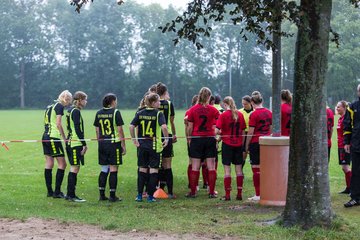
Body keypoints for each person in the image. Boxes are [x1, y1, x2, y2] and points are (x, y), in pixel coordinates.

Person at [130, 92, 169, 202]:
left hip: (142, 145)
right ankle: (151, 196)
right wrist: (166, 139)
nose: (159, 103)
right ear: (152, 102)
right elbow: (164, 127)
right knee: (154, 170)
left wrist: (134, 140)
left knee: (142, 169)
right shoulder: (158, 114)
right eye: (157, 101)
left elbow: (131, 126)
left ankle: (139, 195)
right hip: (154, 145)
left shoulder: (140, 112)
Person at [186, 87, 220, 198]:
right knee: (211, 166)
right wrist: (217, 134)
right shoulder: (214, 110)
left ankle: (193, 192)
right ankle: (211, 192)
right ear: (209, 97)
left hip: (196, 139)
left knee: (195, 166)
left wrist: (189, 138)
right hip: (210, 138)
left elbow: (190, 127)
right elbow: (219, 125)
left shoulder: (192, 110)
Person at [94, 93, 126, 202]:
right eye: (115, 100)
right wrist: (123, 145)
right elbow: (120, 130)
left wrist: (100, 142)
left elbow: (97, 130)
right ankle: (112, 195)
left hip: (102, 143)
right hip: (113, 144)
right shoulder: (116, 112)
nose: (116, 103)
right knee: (113, 169)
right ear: (112, 102)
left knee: (104, 169)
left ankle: (101, 195)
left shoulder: (98, 113)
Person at [42, 90, 72, 198]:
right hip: (53, 137)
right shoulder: (59, 106)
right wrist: (64, 138)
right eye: (69, 101)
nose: (69, 104)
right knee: (62, 164)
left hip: (45, 136)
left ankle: (50, 191)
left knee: (49, 163)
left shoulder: (50, 106)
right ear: (66, 99)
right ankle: (57, 192)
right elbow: (58, 124)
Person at [215, 96, 246, 201]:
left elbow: (217, 130)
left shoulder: (223, 115)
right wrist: (241, 143)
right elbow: (242, 131)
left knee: (227, 171)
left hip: (227, 145)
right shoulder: (240, 115)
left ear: (224, 104)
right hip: (238, 145)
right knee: (239, 170)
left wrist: (219, 135)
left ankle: (227, 195)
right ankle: (239, 194)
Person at [245, 91, 272, 201]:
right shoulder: (269, 113)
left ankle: (258, 194)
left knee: (256, 169)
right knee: (266, 169)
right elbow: (271, 129)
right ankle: (268, 192)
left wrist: (246, 145)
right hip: (266, 142)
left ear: (252, 102)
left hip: (256, 143)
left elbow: (250, 132)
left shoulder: (253, 114)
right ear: (262, 101)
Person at [65, 91, 88, 202]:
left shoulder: (70, 110)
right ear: (80, 100)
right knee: (74, 168)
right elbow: (78, 130)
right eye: (85, 99)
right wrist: (84, 144)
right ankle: (71, 195)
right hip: (75, 143)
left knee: (74, 167)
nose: (86, 102)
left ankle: (69, 194)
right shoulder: (76, 112)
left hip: (70, 142)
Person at [156, 82, 177, 198]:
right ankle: (170, 192)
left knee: (157, 164)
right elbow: (172, 121)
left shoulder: (154, 103)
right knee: (167, 164)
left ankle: (157, 190)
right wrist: (174, 134)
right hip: (167, 134)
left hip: (156, 135)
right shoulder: (169, 104)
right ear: (165, 92)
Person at [343, 84, 360, 207]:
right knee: (356, 171)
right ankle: (355, 197)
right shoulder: (352, 106)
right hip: (356, 143)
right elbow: (347, 125)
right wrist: (346, 142)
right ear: (358, 92)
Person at [336, 100, 352, 194]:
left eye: (339, 107)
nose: (337, 108)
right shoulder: (340, 119)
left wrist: (347, 144)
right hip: (340, 146)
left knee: (346, 168)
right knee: (344, 168)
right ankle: (348, 188)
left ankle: (352, 188)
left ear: (344, 108)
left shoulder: (346, 119)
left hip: (344, 146)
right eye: (337, 107)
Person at [239, 95, 254, 165]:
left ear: (250, 103)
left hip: (253, 134)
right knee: (243, 154)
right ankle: (240, 172)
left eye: (245, 104)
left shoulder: (254, 111)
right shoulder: (240, 112)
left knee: (253, 154)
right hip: (243, 134)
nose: (244, 105)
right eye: (243, 104)